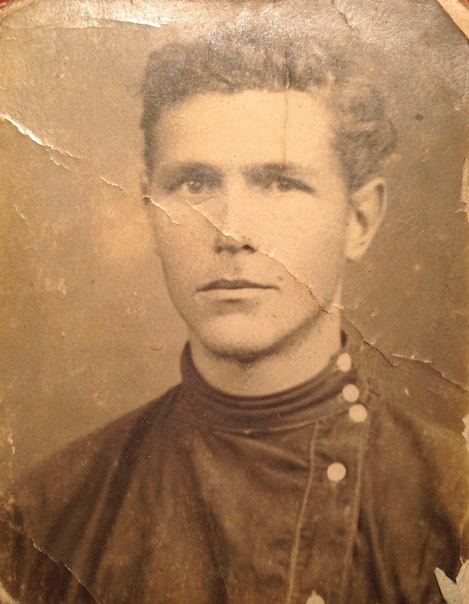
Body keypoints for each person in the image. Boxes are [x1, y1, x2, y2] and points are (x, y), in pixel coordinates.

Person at [1, 25, 468, 604]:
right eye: (194, 183)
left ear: (359, 220)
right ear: (149, 208)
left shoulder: (452, 503)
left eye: (280, 183)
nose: (231, 231)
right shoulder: (47, 515)